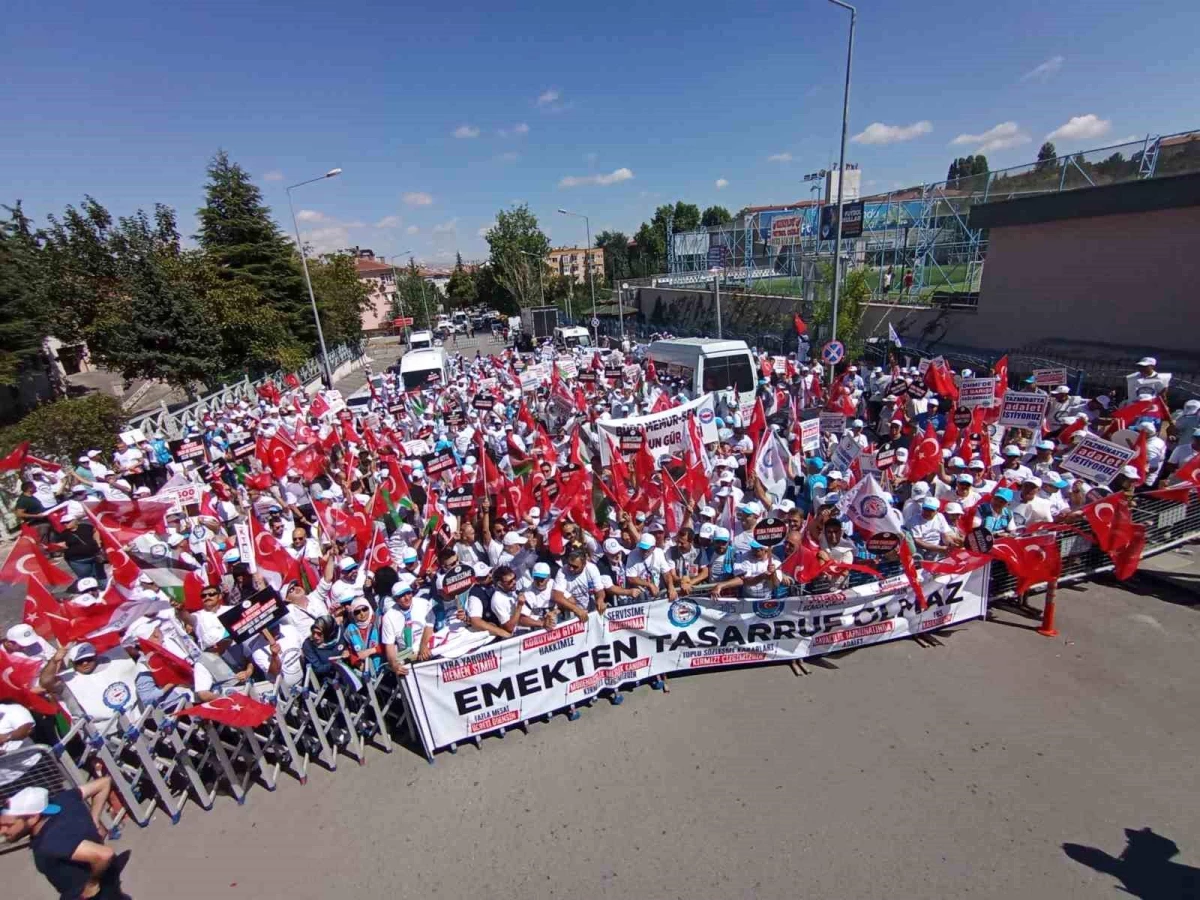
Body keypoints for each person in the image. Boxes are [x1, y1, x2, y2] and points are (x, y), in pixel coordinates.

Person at [1, 779, 132, 900]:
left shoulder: (50, 841)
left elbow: (104, 855)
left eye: (8, 826)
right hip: (108, 877)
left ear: (33, 817)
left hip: (88, 894)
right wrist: (94, 820)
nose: (2, 831)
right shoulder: (64, 799)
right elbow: (104, 783)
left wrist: (91, 885)